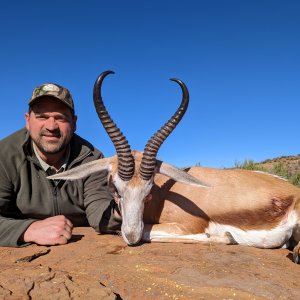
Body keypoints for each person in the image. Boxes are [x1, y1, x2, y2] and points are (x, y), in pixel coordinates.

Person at [0, 82, 121, 247]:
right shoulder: (5, 155)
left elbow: (100, 212)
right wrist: (29, 230)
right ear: (28, 121)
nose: (51, 126)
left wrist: (122, 209)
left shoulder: (92, 158)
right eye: (42, 116)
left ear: (74, 122)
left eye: (61, 117)